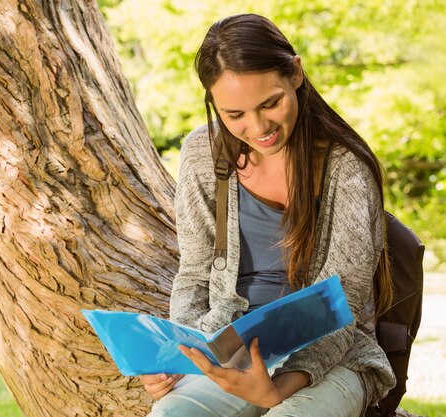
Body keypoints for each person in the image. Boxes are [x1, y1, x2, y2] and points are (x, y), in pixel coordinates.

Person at [140, 14, 396, 417]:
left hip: (332, 359)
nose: (258, 126)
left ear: (295, 73)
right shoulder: (203, 155)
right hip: (232, 353)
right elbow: (194, 275)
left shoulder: (345, 168)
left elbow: (341, 307)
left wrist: (278, 389)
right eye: (234, 114)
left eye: (270, 103)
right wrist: (184, 355)